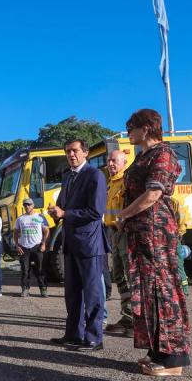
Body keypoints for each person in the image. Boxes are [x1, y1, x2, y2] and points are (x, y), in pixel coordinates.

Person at [117, 108, 190, 375]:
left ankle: (174, 358)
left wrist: (123, 215)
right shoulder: (143, 156)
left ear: (146, 128)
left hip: (156, 231)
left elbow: (153, 194)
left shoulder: (163, 153)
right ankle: (157, 350)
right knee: (148, 290)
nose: (128, 133)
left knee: (163, 288)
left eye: (131, 128)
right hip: (142, 233)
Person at [48, 138, 109, 352]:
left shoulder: (95, 175)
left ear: (85, 153)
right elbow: (64, 206)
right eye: (67, 152)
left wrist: (66, 213)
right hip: (70, 241)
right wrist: (56, 212)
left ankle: (94, 338)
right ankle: (74, 334)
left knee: (92, 293)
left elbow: (95, 211)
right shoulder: (67, 176)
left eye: (74, 151)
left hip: (90, 244)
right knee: (72, 293)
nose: (71, 155)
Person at [103, 150, 133, 337]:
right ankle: (127, 316)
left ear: (124, 162)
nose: (110, 164)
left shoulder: (127, 181)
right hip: (113, 232)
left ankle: (136, 319)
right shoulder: (110, 183)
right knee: (119, 275)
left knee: (131, 275)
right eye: (109, 161)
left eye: (114, 161)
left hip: (125, 233)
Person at [12, 198, 49, 298]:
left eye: (29, 205)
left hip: (37, 247)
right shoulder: (20, 219)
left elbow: (46, 231)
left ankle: (43, 289)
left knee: (40, 269)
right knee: (25, 270)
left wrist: (43, 243)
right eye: (25, 205)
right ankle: (25, 289)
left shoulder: (40, 217)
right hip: (24, 247)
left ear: (33, 205)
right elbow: (15, 233)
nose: (27, 207)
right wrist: (17, 245)